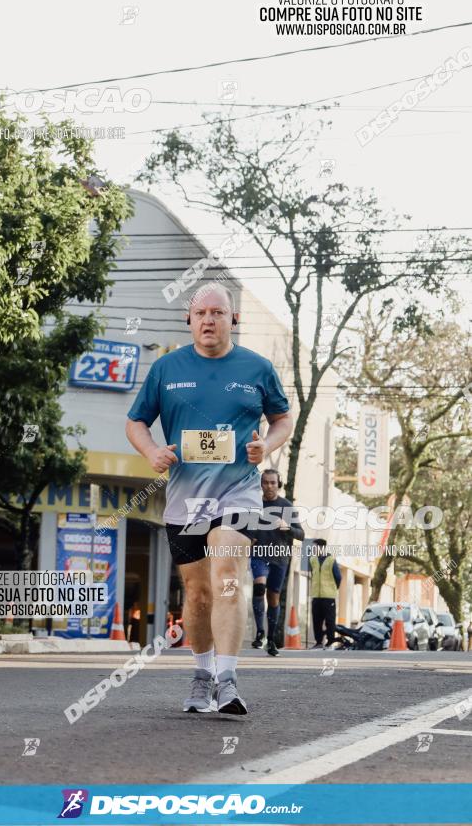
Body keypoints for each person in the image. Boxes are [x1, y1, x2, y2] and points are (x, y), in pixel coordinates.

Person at [125, 283, 292, 715]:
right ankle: (202, 677)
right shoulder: (167, 368)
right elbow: (136, 422)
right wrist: (151, 452)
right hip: (185, 499)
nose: (209, 320)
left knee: (226, 569)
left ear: (233, 319)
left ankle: (229, 680)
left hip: (238, 491)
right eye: (201, 313)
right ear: (190, 319)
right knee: (197, 593)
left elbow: (282, 418)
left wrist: (266, 446)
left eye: (218, 313)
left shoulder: (256, 368)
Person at [250, 470, 305, 657]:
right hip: (259, 554)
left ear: (278, 484)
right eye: (265, 483)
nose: (269, 486)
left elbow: (301, 535)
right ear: (261, 484)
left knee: (273, 598)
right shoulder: (254, 505)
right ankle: (260, 632)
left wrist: (286, 526)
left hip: (280, 557)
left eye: (273, 483)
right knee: (259, 588)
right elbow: (243, 528)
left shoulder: (286, 506)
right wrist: (249, 538)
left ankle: (271, 639)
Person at [309, 538, 341, 648]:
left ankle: (330, 641)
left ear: (321, 547)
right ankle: (318, 642)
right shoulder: (312, 560)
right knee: (316, 620)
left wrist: (333, 588)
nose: (313, 549)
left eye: (314, 547)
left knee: (329, 620)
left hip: (328, 596)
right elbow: (313, 576)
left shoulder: (331, 560)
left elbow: (338, 577)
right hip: (316, 596)